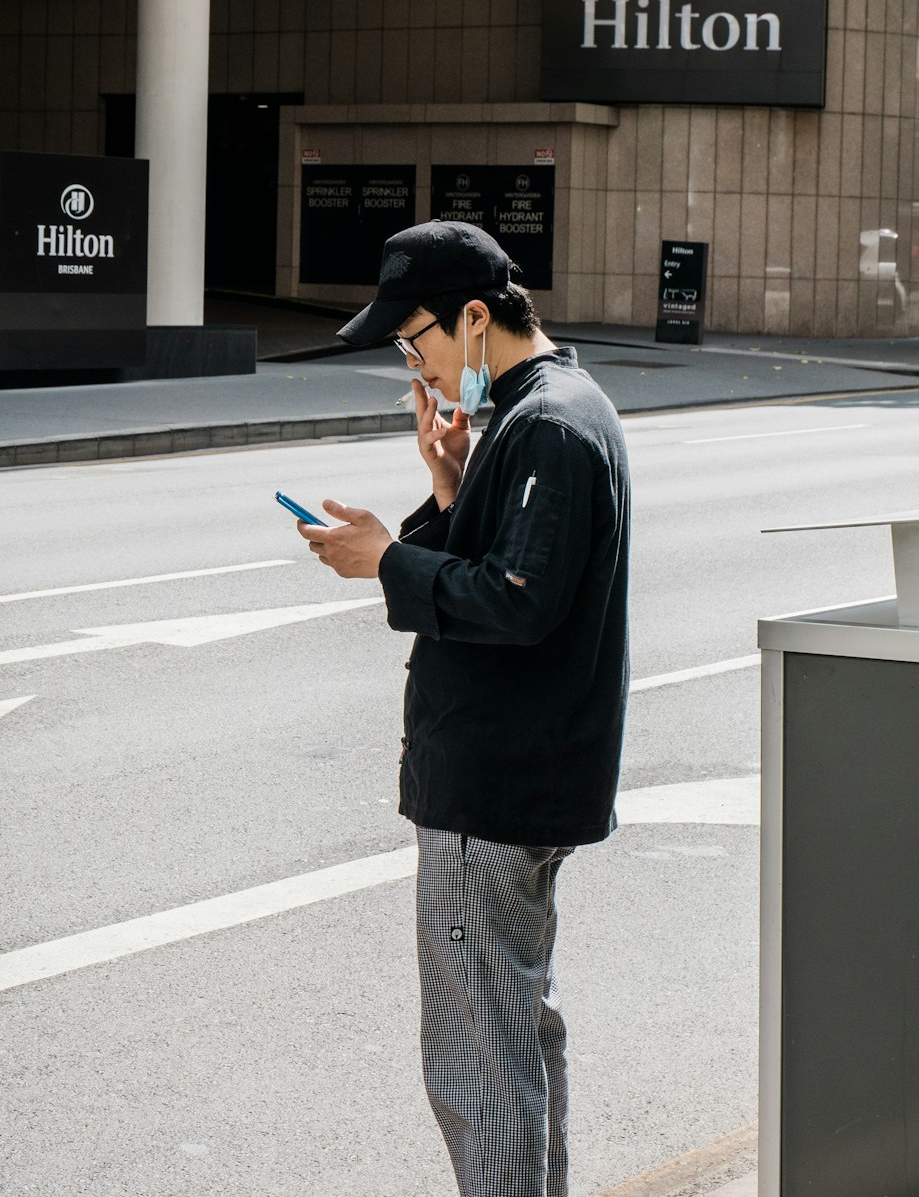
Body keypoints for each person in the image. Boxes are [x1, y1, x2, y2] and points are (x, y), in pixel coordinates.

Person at [297, 220, 630, 1197]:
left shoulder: (551, 425)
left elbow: (519, 603)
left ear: (475, 318)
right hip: (518, 781)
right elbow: (512, 567)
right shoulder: (540, 412)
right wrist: (450, 482)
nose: (419, 367)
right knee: (518, 1032)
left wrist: (385, 560)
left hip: (494, 791)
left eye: (418, 343)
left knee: (481, 1060)